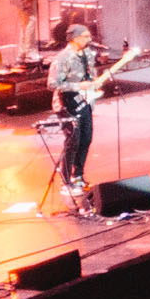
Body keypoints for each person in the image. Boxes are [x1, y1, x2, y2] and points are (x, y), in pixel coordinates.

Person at [47, 23, 104, 204]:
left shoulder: (87, 54)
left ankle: (78, 176)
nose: (89, 39)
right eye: (86, 36)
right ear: (75, 38)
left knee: (86, 138)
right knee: (73, 141)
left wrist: (94, 83)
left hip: (85, 102)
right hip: (66, 104)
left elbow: (90, 77)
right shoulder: (63, 58)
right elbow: (52, 84)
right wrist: (78, 86)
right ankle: (66, 181)